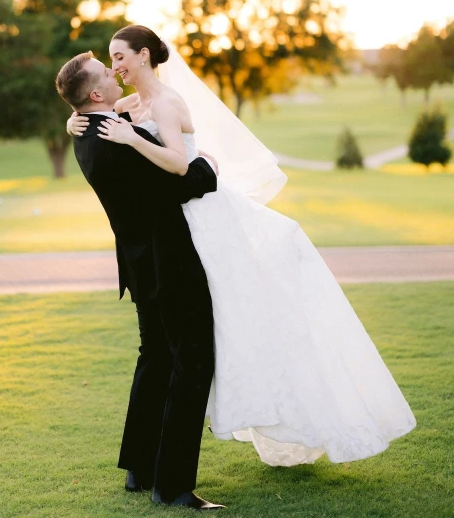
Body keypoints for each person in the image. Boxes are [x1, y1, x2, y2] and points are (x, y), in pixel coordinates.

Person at [67, 25, 416, 469]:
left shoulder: (162, 105)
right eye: (108, 62)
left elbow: (171, 162)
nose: (115, 67)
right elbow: (169, 173)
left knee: (221, 328)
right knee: (183, 355)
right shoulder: (119, 109)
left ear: (143, 56)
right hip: (173, 235)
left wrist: (151, 145)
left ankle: (154, 467)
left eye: (119, 57)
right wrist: (79, 118)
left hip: (194, 226)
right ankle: (168, 476)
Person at [55, 51, 226, 510]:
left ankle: (140, 467)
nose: (115, 74)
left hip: (139, 265)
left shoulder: (89, 128)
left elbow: (106, 123)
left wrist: (71, 119)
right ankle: (171, 485)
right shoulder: (112, 138)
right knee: (191, 364)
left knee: (155, 359)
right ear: (95, 93)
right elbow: (179, 185)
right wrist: (207, 167)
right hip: (167, 265)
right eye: (106, 73)